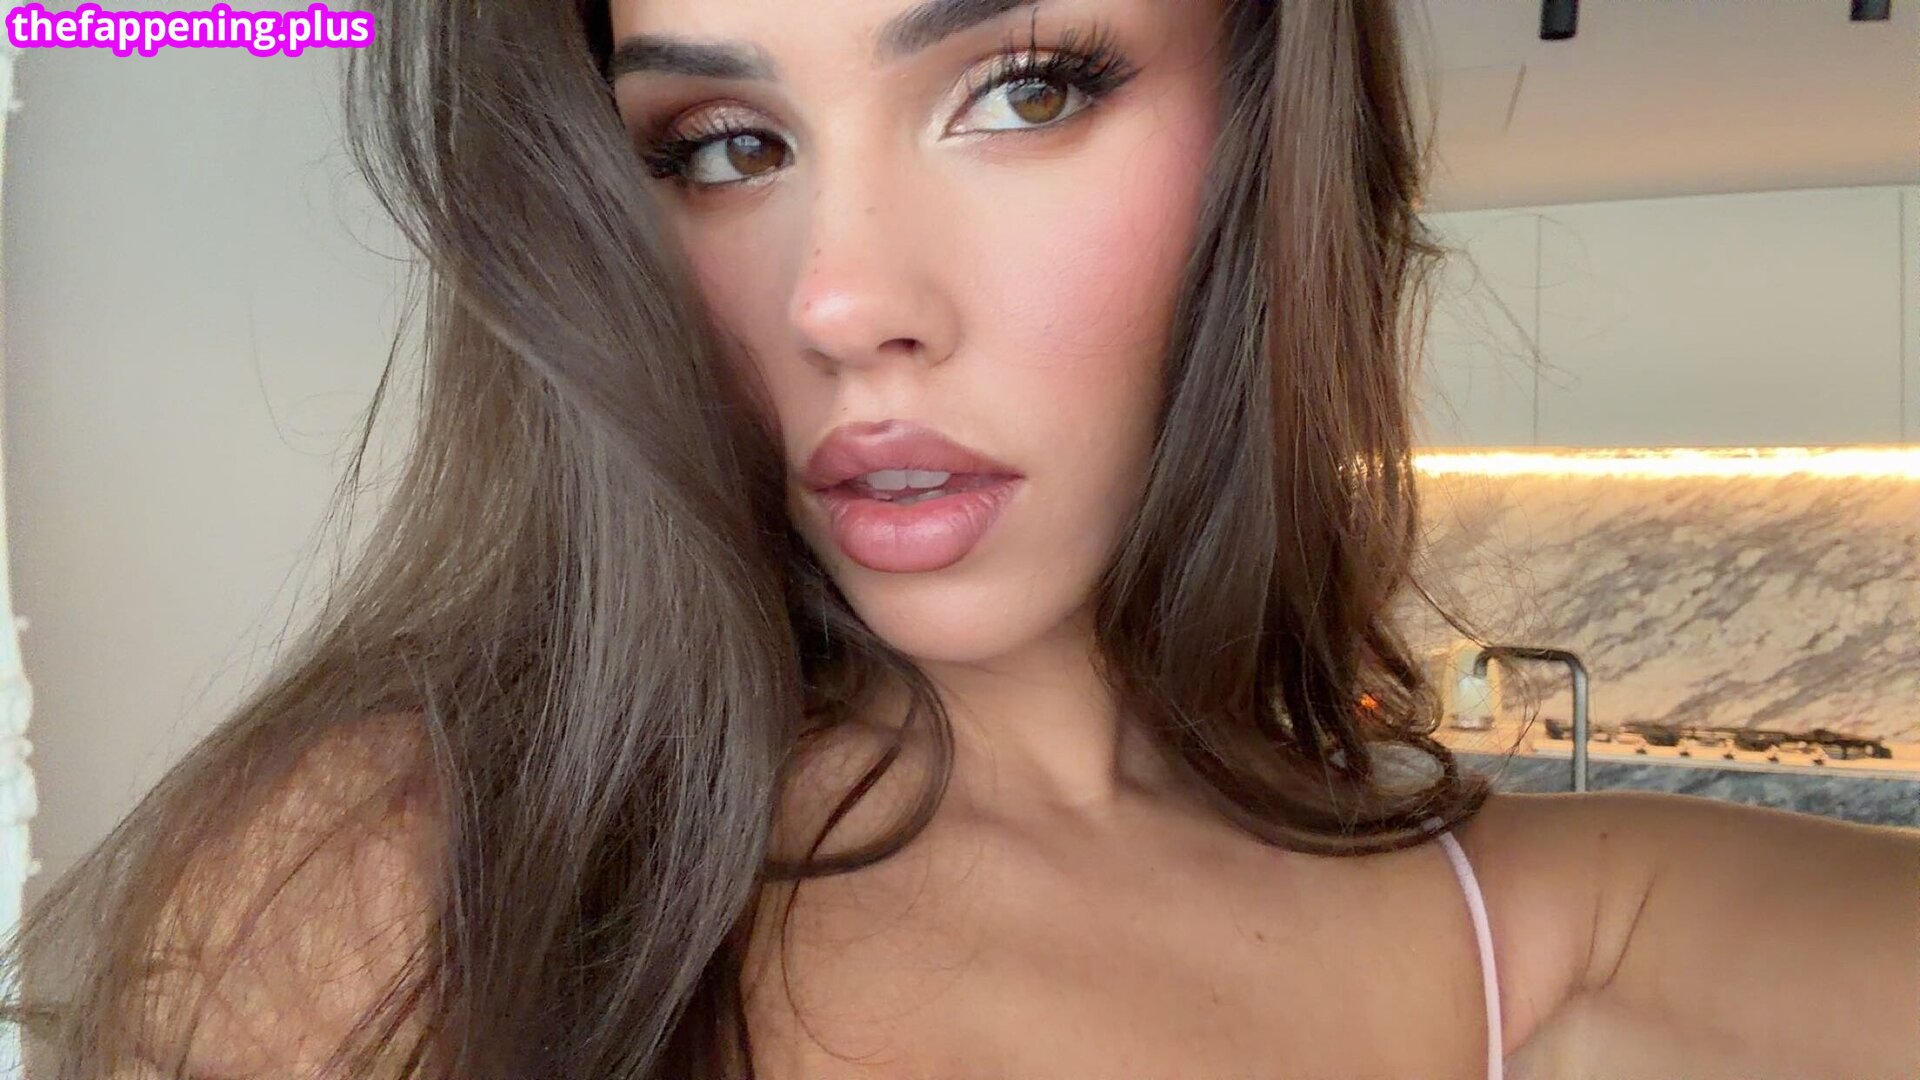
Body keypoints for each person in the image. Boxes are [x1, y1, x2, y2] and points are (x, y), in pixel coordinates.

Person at [8, 0, 1917, 1077]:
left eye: (1023, 89)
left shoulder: (1521, 921)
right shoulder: (417, 880)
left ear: (1265, 124)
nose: (842, 302)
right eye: (721, 145)